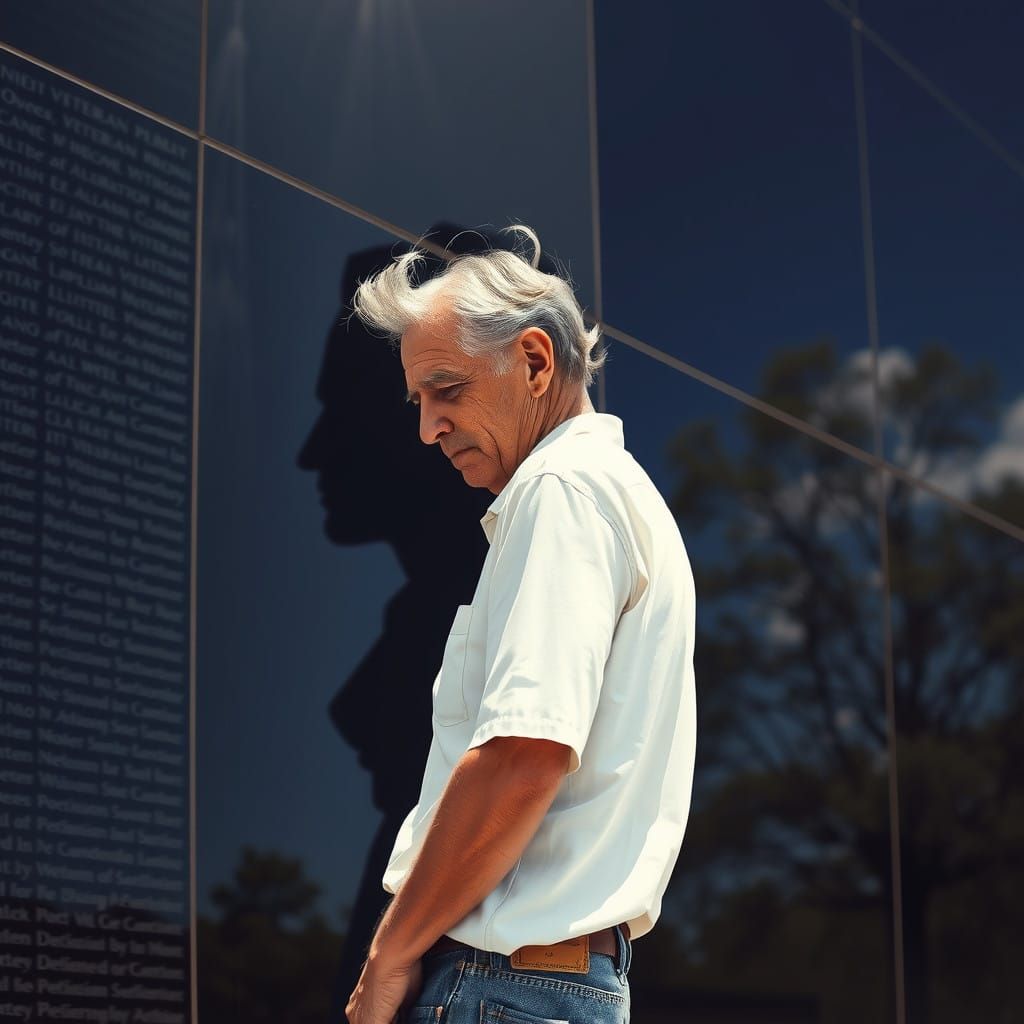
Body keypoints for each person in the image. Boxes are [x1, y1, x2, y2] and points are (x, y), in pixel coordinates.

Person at [343, 224, 697, 1024]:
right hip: (545, 988)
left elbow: (521, 755)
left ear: (535, 362)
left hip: (503, 988)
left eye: (448, 390)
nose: (428, 427)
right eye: (419, 401)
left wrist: (388, 958)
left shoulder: (561, 491)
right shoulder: (612, 490)